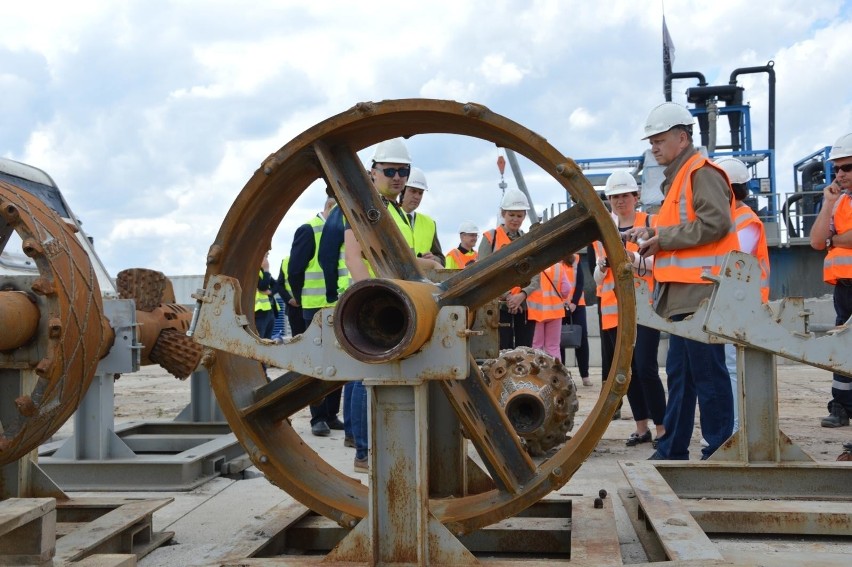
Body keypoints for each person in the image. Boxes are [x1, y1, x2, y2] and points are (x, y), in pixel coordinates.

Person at [625, 102, 739, 460]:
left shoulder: (700, 172)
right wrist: (652, 231)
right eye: (652, 142)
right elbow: (683, 225)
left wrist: (664, 238)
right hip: (681, 295)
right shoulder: (679, 177)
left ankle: (719, 450)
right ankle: (673, 448)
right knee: (681, 376)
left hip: (701, 292)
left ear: (683, 137)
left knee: (708, 375)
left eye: (659, 141)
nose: (654, 148)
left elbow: (715, 223)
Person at [320, 138, 440, 473]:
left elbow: (395, 258)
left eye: (403, 171)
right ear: (373, 172)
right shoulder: (364, 205)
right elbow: (354, 256)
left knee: (371, 377)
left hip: (395, 302)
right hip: (373, 305)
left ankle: (367, 443)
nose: (398, 177)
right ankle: (364, 451)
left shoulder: (392, 210)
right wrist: (365, 300)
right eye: (390, 171)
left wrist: (421, 264)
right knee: (364, 378)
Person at [594, 171, 666, 445]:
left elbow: (655, 266)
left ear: (635, 197)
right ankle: (641, 428)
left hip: (644, 308)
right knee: (628, 372)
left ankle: (662, 427)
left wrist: (628, 256)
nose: (620, 201)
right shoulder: (603, 230)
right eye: (614, 196)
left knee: (646, 368)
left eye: (625, 195)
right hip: (613, 312)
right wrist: (602, 267)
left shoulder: (650, 223)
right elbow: (597, 280)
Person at [714, 157, 771, 432]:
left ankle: (736, 430)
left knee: (733, 368)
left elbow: (733, 260)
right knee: (728, 367)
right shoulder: (730, 218)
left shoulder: (745, 220)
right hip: (731, 302)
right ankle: (731, 427)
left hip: (743, 304)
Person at [288, 195, 343, 437]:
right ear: (329, 208)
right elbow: (295, 269)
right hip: (316, 307)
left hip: (340, 306)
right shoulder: (309, 229)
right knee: (319, 364)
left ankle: (331, 415)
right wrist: (298, 297)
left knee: (339, 362)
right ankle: (318, 417)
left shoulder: (343, 228)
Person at [810, 132, 852, 428]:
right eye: (837, 168)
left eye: (846, 167)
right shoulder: (837, 203)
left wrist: (833, 240)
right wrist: (827, 204)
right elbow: (815, 241)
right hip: (844, 287)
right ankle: (841, 406)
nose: (840, 173)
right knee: (843, 346)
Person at [478, 188, 539, 350]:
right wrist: (509, 297)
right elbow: (483, 274)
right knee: (501, 352)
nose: (515, 219)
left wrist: (522, 295)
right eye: (511, 215)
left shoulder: (527, 240)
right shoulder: (490, 239)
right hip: (498, 308)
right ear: (503, 214)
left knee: (524, 353)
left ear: (524, 216)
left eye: (519, 215)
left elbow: (536, 273)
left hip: (523, 306)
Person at [399, 167, 445, 266]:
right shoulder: (389, 216)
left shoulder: (429, 223)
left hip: (422, 280)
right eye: (413, 191)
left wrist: (434, 259)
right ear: (402, 191)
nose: (417, 196)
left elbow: (441, 259)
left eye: (420, 193)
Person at [528, 262, 572, 359]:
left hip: (536, 311)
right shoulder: (558, 266)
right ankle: (556, 372)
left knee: (536, 347)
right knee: (553, 347)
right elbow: (566, 289)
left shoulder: (533, 265)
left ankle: (537, 373)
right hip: (555, 312)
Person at [561, 253, 591, 386]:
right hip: (559, 305)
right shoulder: (553, 259)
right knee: (559, 340)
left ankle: (585, 375)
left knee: (582, 339)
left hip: (577, 305)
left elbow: (580, 283)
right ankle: (561, 375)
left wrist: (573, 302)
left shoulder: (576, 258)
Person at [274, 256, 306, 340]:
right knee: (297, 339)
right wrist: (289, 299)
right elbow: (279, 285)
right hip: (294, 308)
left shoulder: (315, 257)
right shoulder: (286, 261)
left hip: (313, 305)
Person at [255, 251, 279, 341]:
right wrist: (266, 270)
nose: (266, 260)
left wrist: (271, 292)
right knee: (259, 340)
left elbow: (277, 285)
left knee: (268, 341)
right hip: (260, 313)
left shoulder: (263, 273)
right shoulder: (254, 271)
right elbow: (262, 286)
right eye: (265, 256)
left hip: (270, 311)